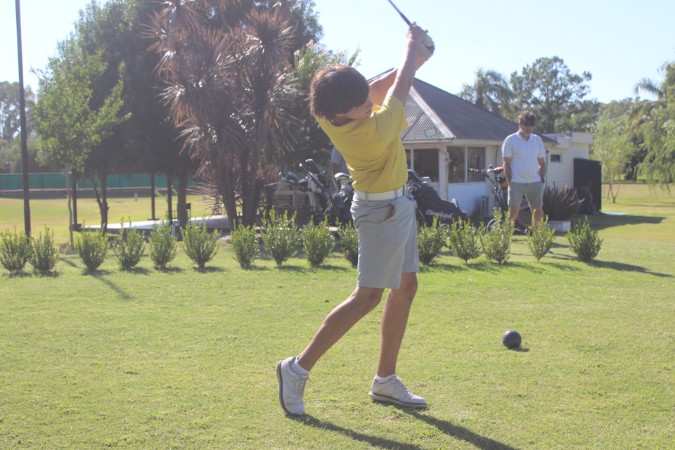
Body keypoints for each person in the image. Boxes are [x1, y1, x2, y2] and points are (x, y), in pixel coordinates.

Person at [276, 23, 433, 416]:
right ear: (340, 112)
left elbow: (377, 90)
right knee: (367, 297)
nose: (368, 103)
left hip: (397, 206)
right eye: (360, 103)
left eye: (364, 98)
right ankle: (296, 369)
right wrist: (412, 46)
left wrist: (418, 57)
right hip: (381, 214)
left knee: (406, 287)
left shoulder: (331, 113)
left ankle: (385, 380)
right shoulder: (373, 132)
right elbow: (399, 89)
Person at [501, 111, 547, 227]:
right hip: (516, 182)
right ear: (519, 124)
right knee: (512, 213)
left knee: (538, 214)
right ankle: (505, 237)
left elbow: (541, 163)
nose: (528, 127)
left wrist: (541, 180)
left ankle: (537, 237)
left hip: (534, 182)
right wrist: (511, 182)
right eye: (526, 124)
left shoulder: (537, 140)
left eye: (531, 124)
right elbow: (506, 163)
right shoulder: (510, 140)